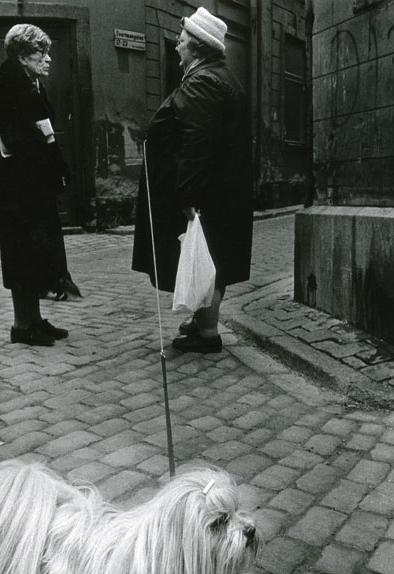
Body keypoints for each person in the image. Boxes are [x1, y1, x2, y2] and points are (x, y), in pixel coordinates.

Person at [132, 7, 253, 354]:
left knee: (207, 257)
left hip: (207, 195)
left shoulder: (204, 82)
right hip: (219, 192)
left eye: (182, 42)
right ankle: (203, 324)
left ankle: (208, 333)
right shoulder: (217, 77)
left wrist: (187, 195)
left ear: (197, 47)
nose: (176, 47)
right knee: (212, 258)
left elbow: (197, 143)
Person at [0, 23, 81, 347]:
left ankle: (35, 319)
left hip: (32, 184)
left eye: (47, 53)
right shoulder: (10, 84)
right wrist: (45, 154)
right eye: (40, 53)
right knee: (21, 252)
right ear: (21, 54)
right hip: (18, 186)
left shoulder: (31, 84)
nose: (48, 59)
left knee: (36, 251)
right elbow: (10, 136)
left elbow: (42, 131)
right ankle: (21, 325)